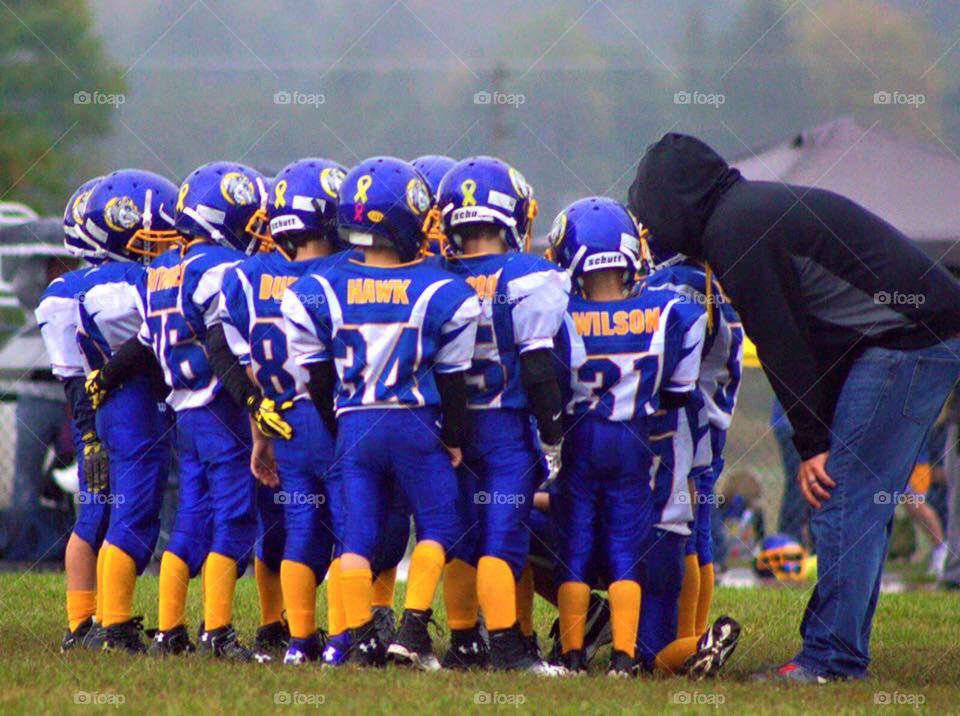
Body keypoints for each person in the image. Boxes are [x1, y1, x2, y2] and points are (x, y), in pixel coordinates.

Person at [629, 132, 960, 682]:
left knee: (843, 494)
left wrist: (813, 445)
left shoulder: (734, 230)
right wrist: (821, 429)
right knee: (851, 498)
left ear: (672, 201)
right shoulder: (748, 210)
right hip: (900, 334)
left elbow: (781, 341)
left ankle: (832, 660)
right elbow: (824, 332)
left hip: (913, 337)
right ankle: (837, 648)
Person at [281, 156, 480, 670]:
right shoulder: (442, 290)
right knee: (441, 524)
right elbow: (454, 382)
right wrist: (454, 435)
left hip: (354, 424)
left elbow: (318, 377)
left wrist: (340, 424)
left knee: (358, 536)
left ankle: (358, 637)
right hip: (415, 421)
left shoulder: (319, 289)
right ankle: (412, 630)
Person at [87, 162, 289, 661]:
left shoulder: (160, 270)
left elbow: (141, 341)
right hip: (220, 409)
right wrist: (251, 398)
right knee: (236, 518)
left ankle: (168, 629)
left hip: (185, 414)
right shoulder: (221, 269)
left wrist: (106, 376)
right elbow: (222, 344)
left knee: (192, 519)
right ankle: (217, 632)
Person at [548, 195, 707, 677]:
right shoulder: (672, 310)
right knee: (624, 548)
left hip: (581, 435)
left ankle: (573, 653)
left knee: (574, 548)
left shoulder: (560, 313)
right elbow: (679, 393)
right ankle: (622, 657)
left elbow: (549, 389)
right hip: (635, 441)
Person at [436, 156, 568, 674]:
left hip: (453, 428)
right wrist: (554, 434)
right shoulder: (528, 276)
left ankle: (464, 642)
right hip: (504, 428)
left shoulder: (438, 276)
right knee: (502, 538)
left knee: (462, 536)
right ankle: (509, 649)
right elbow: (537, 369)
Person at [216, 157, 348, 664]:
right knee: (349, 527)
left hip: (282, 419)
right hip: (331, 415)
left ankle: (299, 643)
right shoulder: (342, 275)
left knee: (300, 527)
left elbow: (250, 369)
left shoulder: (249, 278)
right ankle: (341, 638)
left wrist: (260, 436)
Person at [75, 169, 179, 652]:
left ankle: (103, 621)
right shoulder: (118, 285)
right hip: (131, 403)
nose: (162, 247)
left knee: (133, 510)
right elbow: (146, 336)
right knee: (133, 512)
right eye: (152, 238)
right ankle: (111, 626)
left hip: (130, 403)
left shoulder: (101, 281)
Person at [35, 177, 107, 650]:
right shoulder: (68, 293)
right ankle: (81, 622)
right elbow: (74, 381)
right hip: (97, 417)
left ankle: (105, 619)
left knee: (113, 518)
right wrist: (90, 435)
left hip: (127, 416)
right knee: (95, 516)